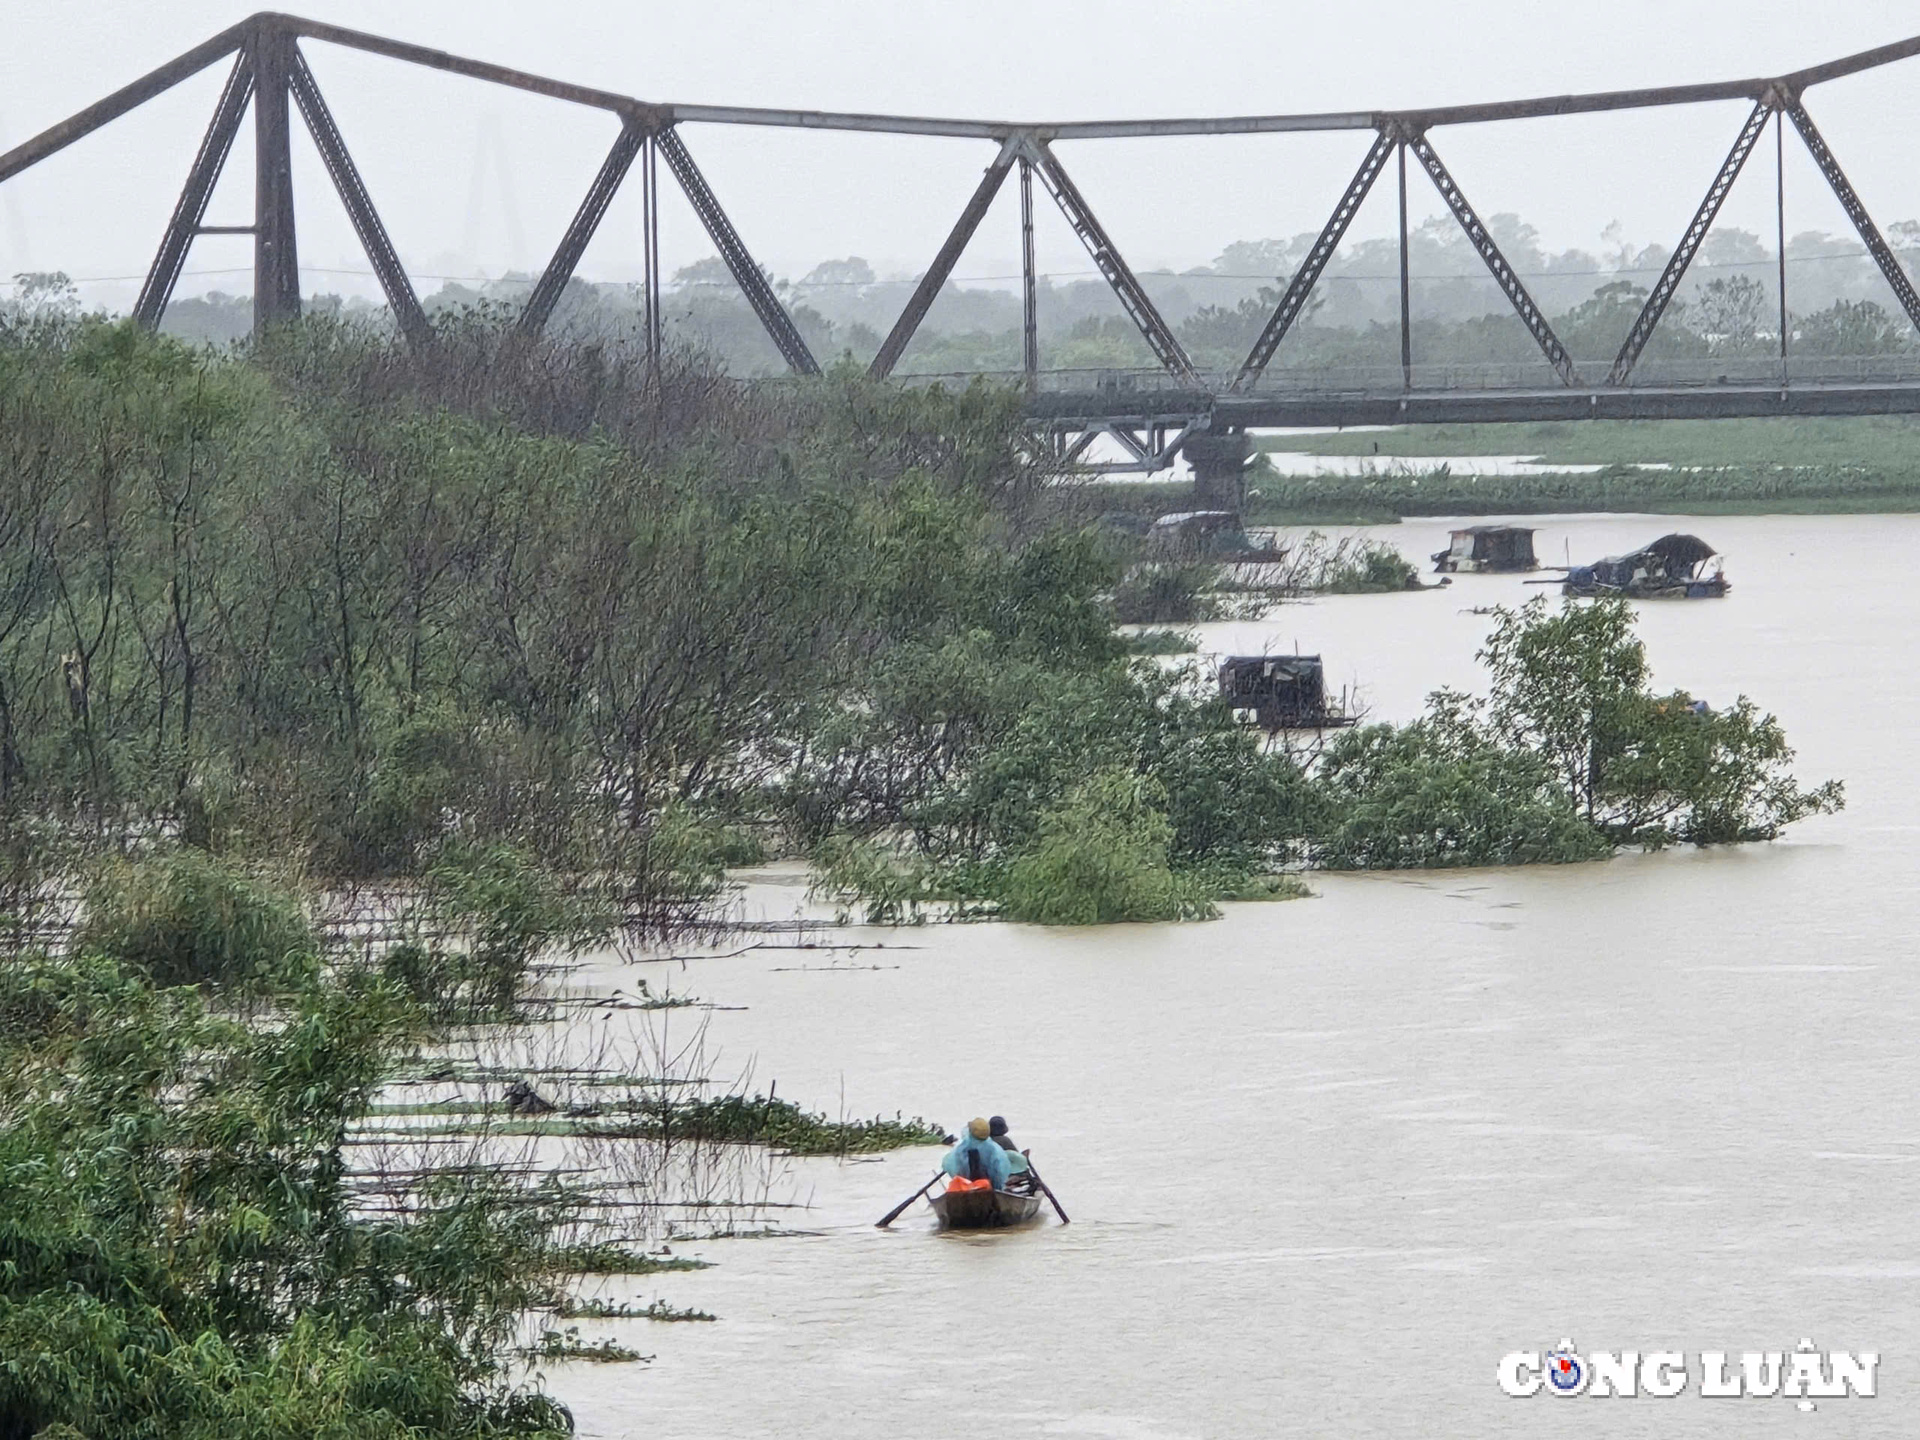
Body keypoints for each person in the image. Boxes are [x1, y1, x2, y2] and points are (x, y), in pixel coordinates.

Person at [941, 1117, 1010, 1190]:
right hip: (990, 1188)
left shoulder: (961, 1148)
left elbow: (950, 1167)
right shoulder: (995, 1149)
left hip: (965, 1187)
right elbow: (1001, 1173)